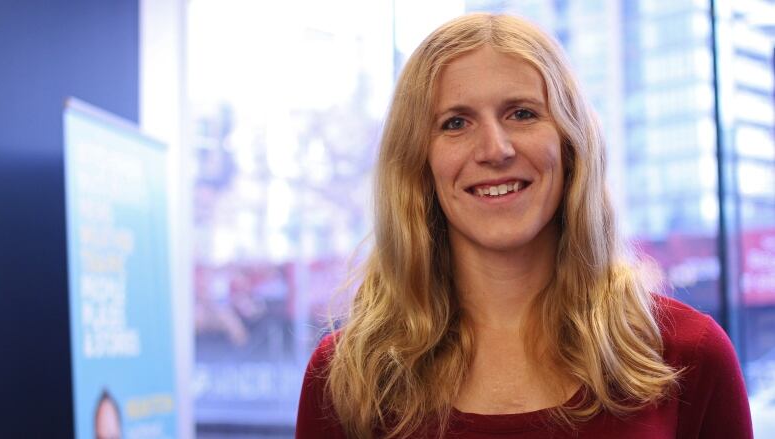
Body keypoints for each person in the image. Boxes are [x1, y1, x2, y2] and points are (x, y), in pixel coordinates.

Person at [295, 13, 753, 439]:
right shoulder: (348, 376)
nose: (495, 149)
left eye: (522, 113)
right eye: (455, 122)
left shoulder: (690, 356)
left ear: (570, 143)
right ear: (419, 163)